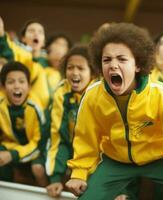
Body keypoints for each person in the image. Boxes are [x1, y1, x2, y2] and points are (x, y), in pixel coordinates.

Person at [65, 22, 163, 200]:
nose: (113, 65)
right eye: (107, 60)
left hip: (161, 159)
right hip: (116, 161)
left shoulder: (159, 94)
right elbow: (85, 137)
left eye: (122, 59)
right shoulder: (93, 95)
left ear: (138, 65)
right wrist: (79, 172)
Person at [45, 46, 97, 197]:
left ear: (92, 72)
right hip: (69, 146)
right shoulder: (62, 91)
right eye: (70, 67)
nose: (75, 72)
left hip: (96, 153)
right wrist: (55, 177)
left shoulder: (99, 92)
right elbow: (58, 137)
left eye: (81, 68)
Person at [0, 61, 48, 186]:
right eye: (11, 82)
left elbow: (39, 144)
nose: (17, 86)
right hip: (14, 147)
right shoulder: (1, 106)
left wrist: (13, 155)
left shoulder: (36, 108)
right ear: (4, 88)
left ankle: (46, 191)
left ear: (29, 86)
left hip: (36, 150)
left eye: (21, 81)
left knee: (38, 168)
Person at [0, 16, 50, 110]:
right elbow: (6, 52)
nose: (36, 34)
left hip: (40, 115)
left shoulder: (49, 63)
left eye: (40, 32)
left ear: (43, 42)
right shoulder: (16, 52)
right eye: (31, 31)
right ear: (23, 38)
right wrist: (1, 33)